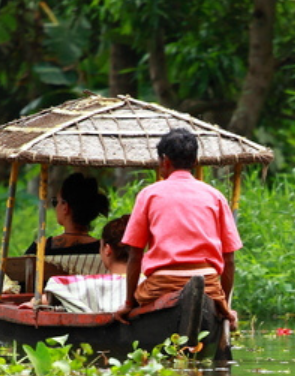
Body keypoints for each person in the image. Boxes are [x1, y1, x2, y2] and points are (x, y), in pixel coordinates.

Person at [115, 128, 241, 328]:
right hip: (208, 284)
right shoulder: (214, 196)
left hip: (161, 285)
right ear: (194, 162)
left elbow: (135, 255)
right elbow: (229, 259)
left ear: (164, 161)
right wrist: (223, 304)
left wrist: (129, 303)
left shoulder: (149, 195)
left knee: (140, 302)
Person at [20, 215, 130, 312]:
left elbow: (42, 299)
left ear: (107, 249)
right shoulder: (145, 284)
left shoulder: (82, 285)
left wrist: (34, 301)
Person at [24, 172, 110, 255]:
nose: (55, 207)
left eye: (55, 202)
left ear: (65, 207)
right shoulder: (105, 250)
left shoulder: (40, 249)